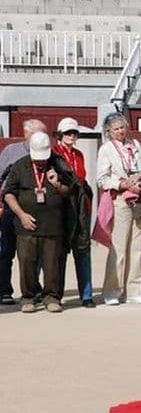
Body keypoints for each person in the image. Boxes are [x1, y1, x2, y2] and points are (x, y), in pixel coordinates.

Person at [3, 132, 75, 313]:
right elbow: (8, 193)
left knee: (52, 264)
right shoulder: (20, 165)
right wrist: (21, 214)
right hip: (26, 225)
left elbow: (71, 191)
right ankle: (29, 297)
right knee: (26, 262)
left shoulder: (58, 163)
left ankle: (52, 297)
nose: (41, 162)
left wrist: (57, 184)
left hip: (53, 225)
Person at [96, 112, 141, 306]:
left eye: (122, 127)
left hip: (140, 198)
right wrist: (122, 184)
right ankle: (112, 290)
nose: (120, 131)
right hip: (120, 200)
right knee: (118, 247)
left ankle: (133, 290)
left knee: (137, 247)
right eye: (116, 128)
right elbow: (102, 178)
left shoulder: (135, 145)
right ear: (109, 131)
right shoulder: (106, 149)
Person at [0, 119, 47, 305]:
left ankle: (33, 290)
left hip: (36, 209)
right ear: (26, 133)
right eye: (39, 133)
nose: (43, 137)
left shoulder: (46, 152)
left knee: (33, 253)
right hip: (12, 208)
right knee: (6, 251)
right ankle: (4, 290)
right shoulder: (11, 151)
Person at [51, 118, 95, 308]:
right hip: (62, 205)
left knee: (83, 249)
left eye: (74, 133)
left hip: (80, 205)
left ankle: (86, 294)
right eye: (68, 133)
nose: (72, 136)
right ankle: (56, 295)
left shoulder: (78, 154)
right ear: (60, 134)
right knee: (58, 253)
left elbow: (82, 178)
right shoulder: (53, 154)